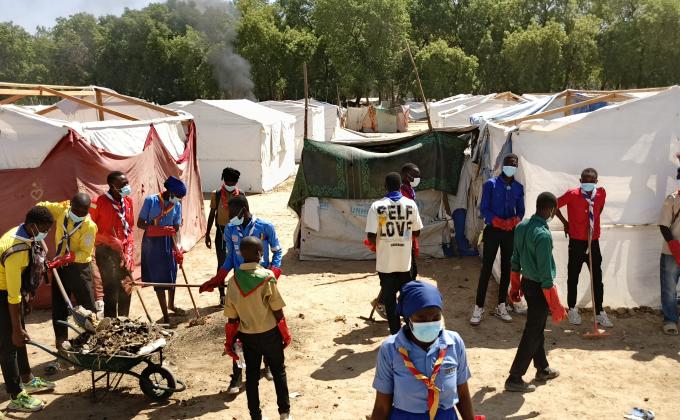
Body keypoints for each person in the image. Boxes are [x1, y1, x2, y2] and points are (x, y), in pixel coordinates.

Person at [200, 194, 283, 393]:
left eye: (232, 213)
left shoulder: (265, 227)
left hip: (262, 283)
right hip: (240, 285)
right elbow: (230, 258)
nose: (229, 218)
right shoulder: (230, 229)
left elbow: (277, 252)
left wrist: (273, 273)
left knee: (266, 325)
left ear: (244, 211)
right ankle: (236, 377)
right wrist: (218, 278)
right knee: (237, 332)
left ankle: (268, 365)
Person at [370, 281, 475, 420]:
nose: (429, 323)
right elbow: (382, 406)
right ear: (408, 318)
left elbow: (462, 394)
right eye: (421, 318)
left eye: (436, 317)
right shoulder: (390, 349)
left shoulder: (454, 343)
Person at [223, 236, 292, 420]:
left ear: (241, 254)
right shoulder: (267, 277)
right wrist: (285, 334)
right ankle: (284, 413)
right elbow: (277, 311)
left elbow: (232, 318)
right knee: (279, 372)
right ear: (260, 253)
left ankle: (256, 416)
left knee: (252, 378)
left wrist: (230, 341)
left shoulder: (233, 281)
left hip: (247, 337)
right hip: (270, 334)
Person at [505, 192, 566, 392]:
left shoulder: (521, 227)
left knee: (537, 327)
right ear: (551, 210)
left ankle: (542, 368)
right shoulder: (543, 235)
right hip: (539, 288)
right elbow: (546, 274)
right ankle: (515, 377)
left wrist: (515, 286)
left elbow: (515, 259)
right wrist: (555, 303)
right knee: (533, 330)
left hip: (527, 284)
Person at [0, 206, 57, 412]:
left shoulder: (27, 233)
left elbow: (40, 251)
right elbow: (12, 296)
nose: (46, 234)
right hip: (3, 294)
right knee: (9, 343)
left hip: (12, 291)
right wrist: (16, 328)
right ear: (33, 226)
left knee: (20, 337)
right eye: (44, 229)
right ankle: (16, 396)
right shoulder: (15, 249)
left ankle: (27, 378)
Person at [37, 193, 98, 372]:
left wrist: (67, 258)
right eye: (76, 210)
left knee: (87, 308)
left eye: (83, 212)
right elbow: (41, 207)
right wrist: (38, 218)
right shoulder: (63, 210)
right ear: (71, 205)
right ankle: (62, 349)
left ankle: (92, 346)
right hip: (60, 269)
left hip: (79, 269)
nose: (79, 214)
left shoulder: (89, 226)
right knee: (59, 309)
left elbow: (85, 253)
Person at [366, 172, 423, 335]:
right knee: (407, 298)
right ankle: (409, 333)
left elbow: (371, 236)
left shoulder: (377, 206)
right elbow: (417, 232)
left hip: (386, 264)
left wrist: (385, 239)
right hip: (405, 263)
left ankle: (395, 335)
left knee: (390, 301)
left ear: (385, 186)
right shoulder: (411, 205)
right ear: (400, 187)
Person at [471, 154, 525, 325]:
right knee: (486, 268)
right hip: (493, 231)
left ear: (516, 167)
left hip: (510, 232)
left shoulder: (518, 187)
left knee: (506, 268)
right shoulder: (490, 184)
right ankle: (478, 307)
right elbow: (484, 209)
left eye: (514, 164)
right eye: (508, 164)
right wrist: (497, 221)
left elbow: (521, 211)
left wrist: (514, 221)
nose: (511, 167)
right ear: (502, 165)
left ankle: (501, 305)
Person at [555, 168, 612, 327]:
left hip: (593, 242)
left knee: (597, 277)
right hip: (576, 242)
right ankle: (572, 309)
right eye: (585, 181)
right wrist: (566, 223)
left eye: (591, 181)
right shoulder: (572, 194)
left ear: (596, 182)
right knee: (573, 276)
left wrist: (593, 222)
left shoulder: (601, 194)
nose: (588, 183)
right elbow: (554, 205)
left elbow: (599, 209)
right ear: (580, 181)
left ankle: (599, 311)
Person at [137, 176, 186, 325]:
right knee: (159, 279)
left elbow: (176, 225)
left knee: (171, 274)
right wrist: (157, 229)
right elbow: (140, 223)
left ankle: (171, 305)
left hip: (169, 241)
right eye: (178, 196)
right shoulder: (151, 201)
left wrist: (176, 241)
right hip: (152, 243)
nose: (179, 199)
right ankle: (165, 316)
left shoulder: (176, 204)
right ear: (169, 192)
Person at [90, 171, 135, 318]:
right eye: (122, 184)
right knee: (111, 291)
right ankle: (111, 323)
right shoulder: (97, 203)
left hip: (125, 250)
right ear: (112, 186)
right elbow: (90, 230)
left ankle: (124, 321)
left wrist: (129, 253)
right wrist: (109, 240)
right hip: (106, 252)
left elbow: (130, 228)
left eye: (127, 183)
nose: (126, 186)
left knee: (127, 287)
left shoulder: (128, 201)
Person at [205, 167, 242, 306]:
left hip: (237, 232)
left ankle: (237, 294)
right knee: (222, 264)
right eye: (228, 182)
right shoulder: (217, 194)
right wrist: (207, 234)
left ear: (236, 182)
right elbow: (212, 214)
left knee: (238, 263)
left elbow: (245, 213)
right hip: (221, 233)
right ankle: (222, 295)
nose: (230, 184)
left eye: (233, 182)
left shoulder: (240, 194)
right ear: (224, 180)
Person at [658, 167, 680, 335]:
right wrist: (674, 245)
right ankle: (670, 320)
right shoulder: (672, 199)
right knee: (669, 289)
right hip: (672, 252)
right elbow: (664, 225)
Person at [401, 163, 421, 280]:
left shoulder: (409, 191)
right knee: (409, 271)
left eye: (418, 175)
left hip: (409, 234)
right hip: (403, 235)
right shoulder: (402, 192)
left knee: (411, 269)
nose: (417, 178)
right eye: (415, 175)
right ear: (406, 176)